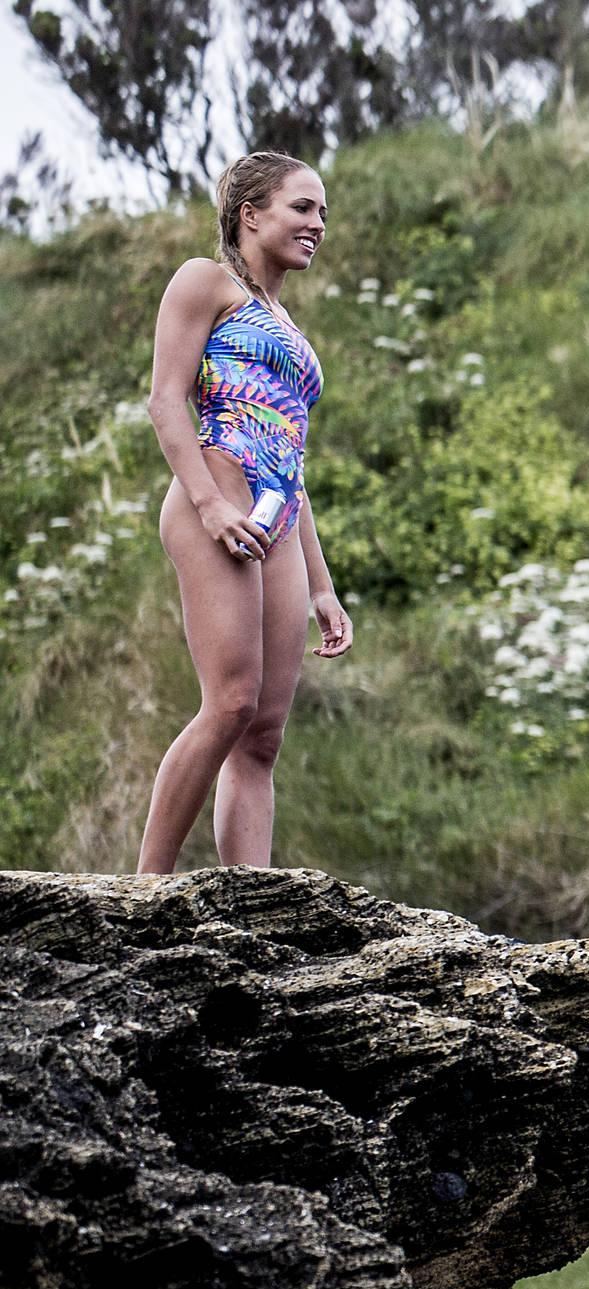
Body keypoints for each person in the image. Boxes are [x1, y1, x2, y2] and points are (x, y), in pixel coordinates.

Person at [135, 150, 354, 873]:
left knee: (262, 734)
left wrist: (321, 585)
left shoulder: (285, 321)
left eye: (323, 212)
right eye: (303, 207)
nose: (317, 223)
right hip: (219, 495)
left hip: (278, 516)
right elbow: (165, 400)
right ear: (250, 214)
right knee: (229, 702)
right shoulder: (205, 281)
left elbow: (292, 461)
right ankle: (140, 894)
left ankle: (252, 900)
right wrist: (208, 505)